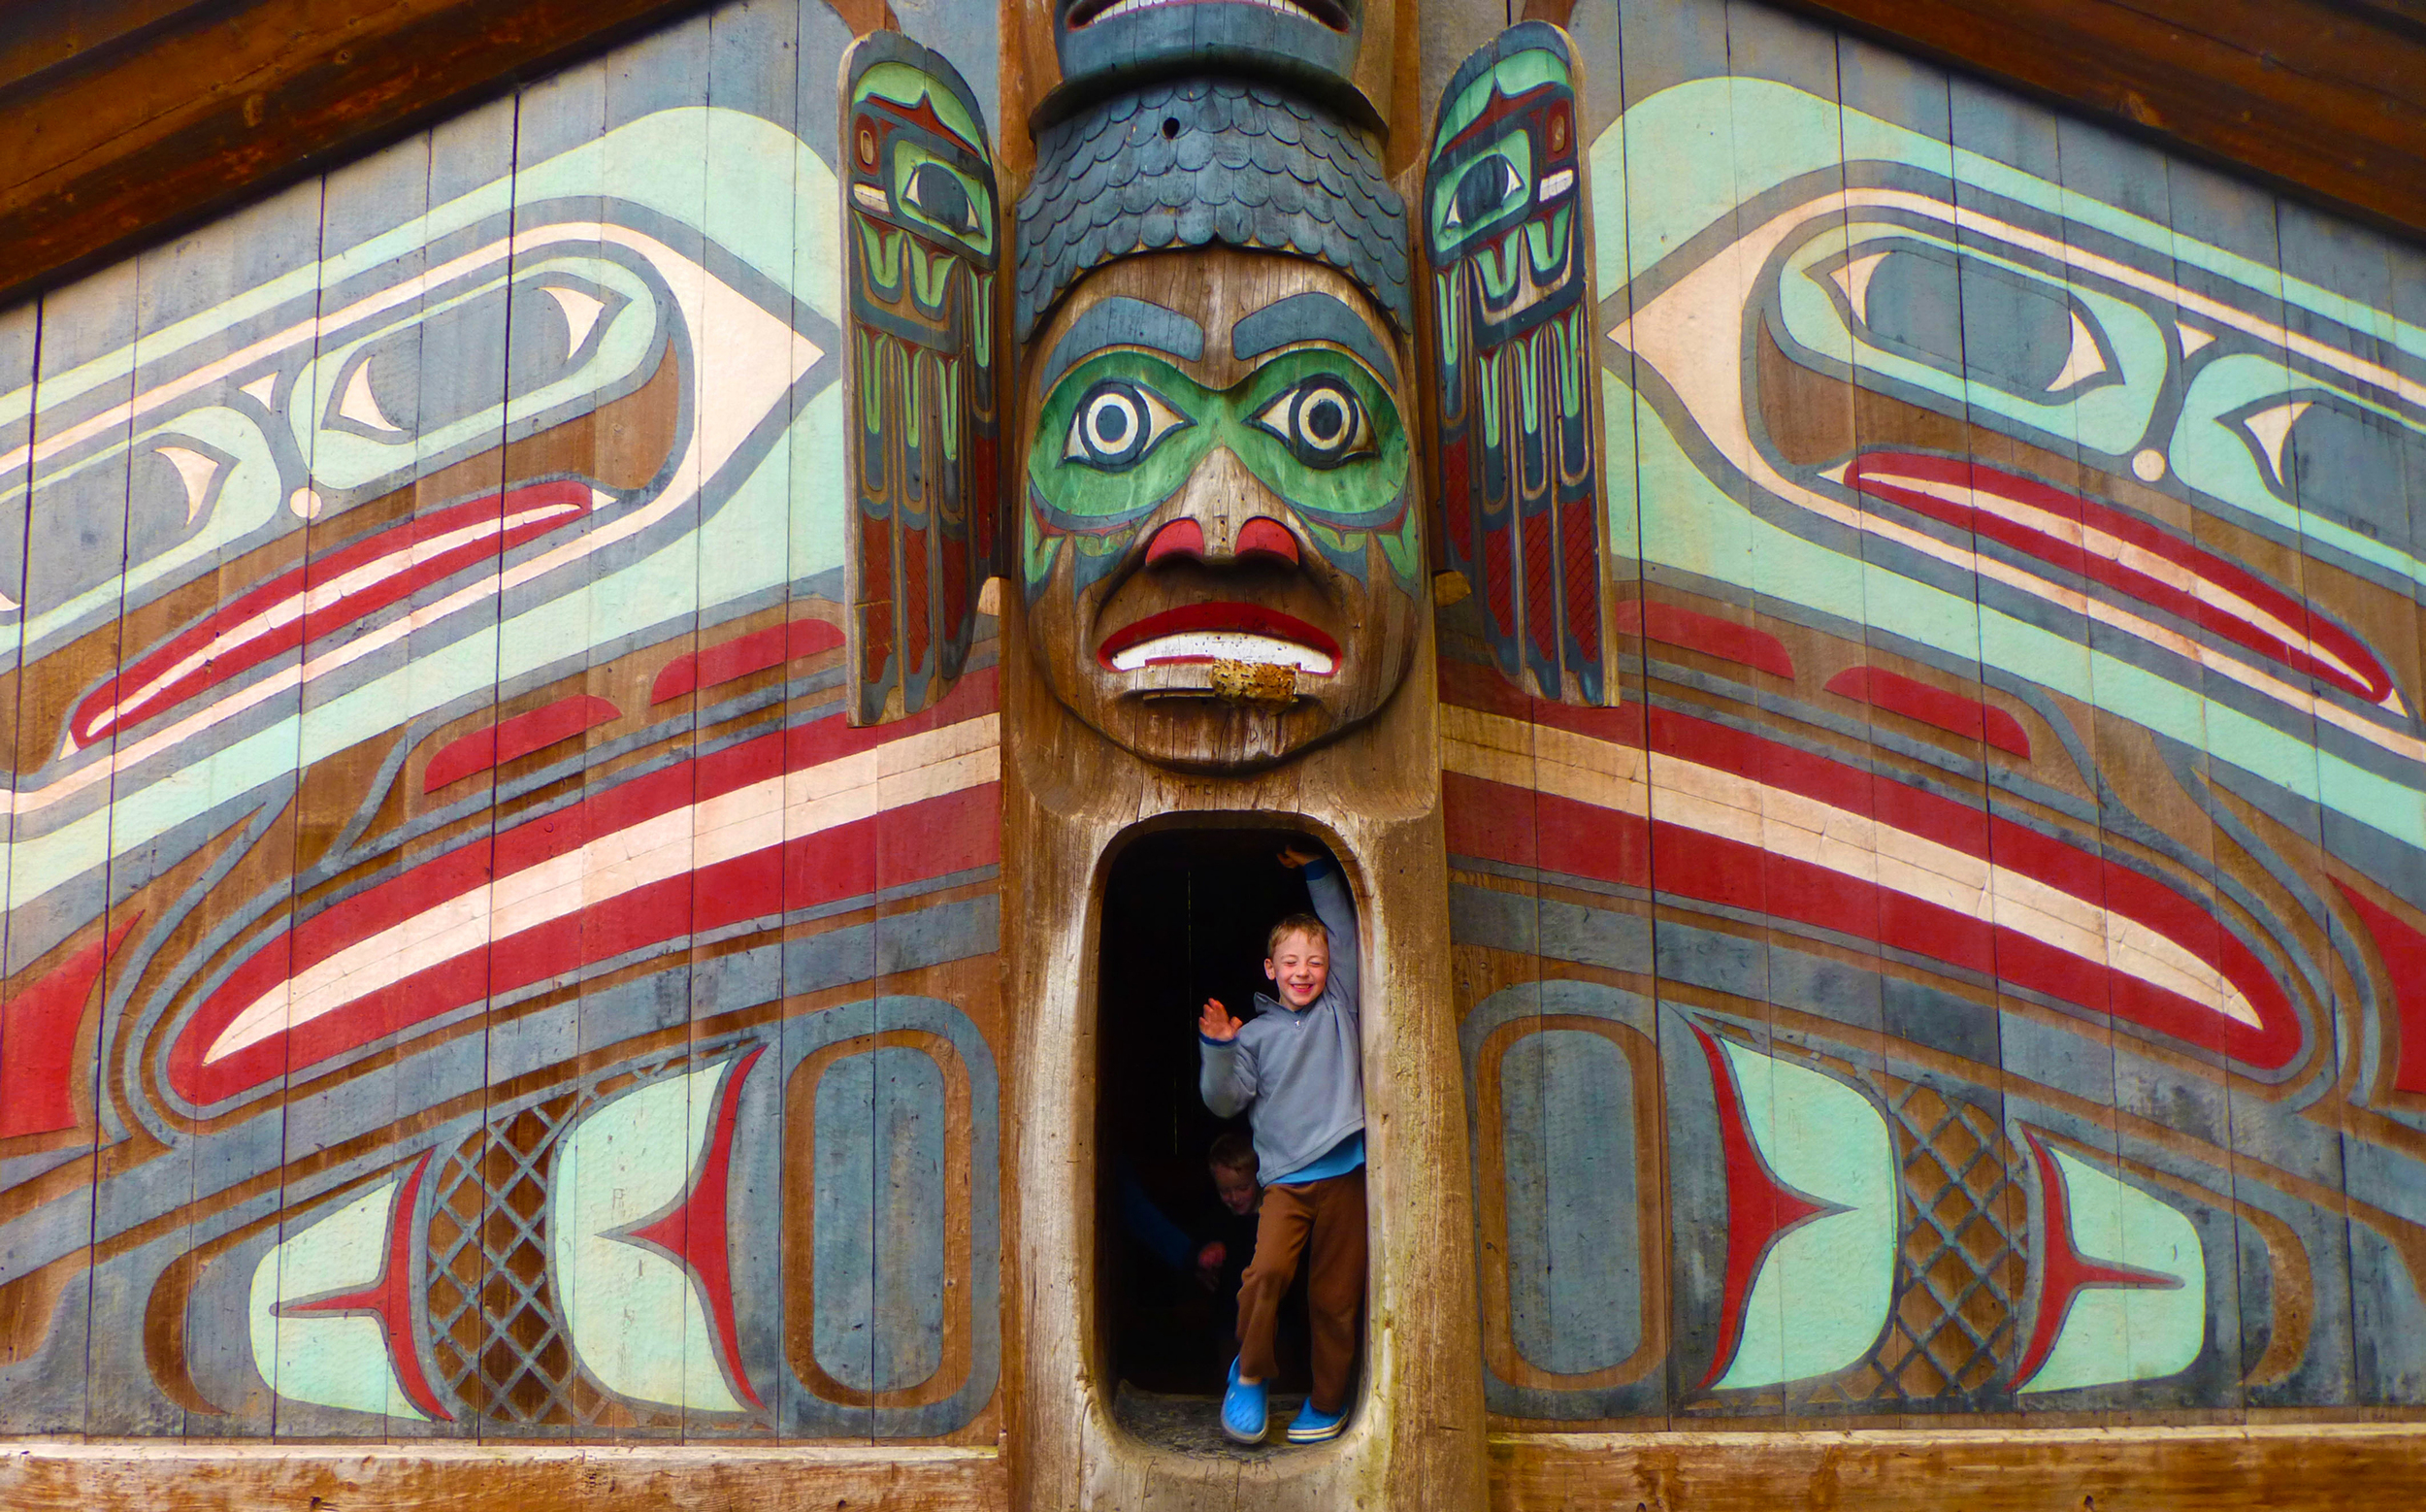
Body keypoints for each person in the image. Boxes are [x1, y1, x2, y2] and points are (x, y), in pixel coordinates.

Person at [1197, 842, 1365, 1445]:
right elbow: (1223, 1102)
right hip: (1286, 1183)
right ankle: (1249, 1373)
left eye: (1313, 962)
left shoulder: (1341, 1006)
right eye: (1290, 961)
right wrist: (1218, 1046)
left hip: (1346, 1174)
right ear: (1270, 969)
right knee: (1265, 1274)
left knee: (1336, 1298)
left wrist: (1318, 872)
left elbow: (1344, 933)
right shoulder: (1257, 1036)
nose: (1303, 972)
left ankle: (1325, 1403)